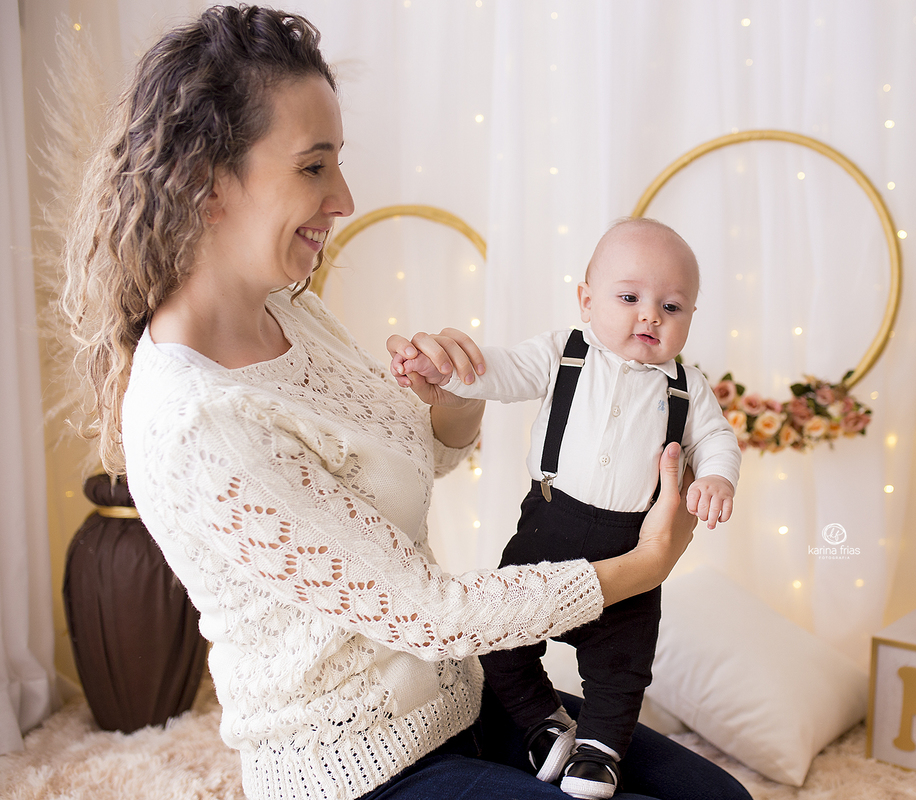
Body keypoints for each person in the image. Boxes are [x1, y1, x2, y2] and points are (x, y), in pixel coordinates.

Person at [60, 5, 751, 800]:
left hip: (456, 699)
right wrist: (642, 565)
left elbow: (419, 462)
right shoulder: (197, 423)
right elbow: (430, 612)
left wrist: (450, 400)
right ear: (208, 185)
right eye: (314, 166)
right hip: (359, 768)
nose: (344, 196)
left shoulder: (288, 309)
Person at [389, 219, 740, 799]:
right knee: (502, 635)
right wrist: (451, 372)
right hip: (549, 526)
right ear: (586, 301)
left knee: (622, 667)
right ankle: (542, 723)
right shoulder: (563, 353)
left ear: (690, 318)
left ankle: (599, 751)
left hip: (630, 546)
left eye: (671, 306)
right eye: (629, 298)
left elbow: (718, 441)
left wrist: (719, 480)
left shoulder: (689, 387)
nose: (649, 316)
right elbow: (502, 371)